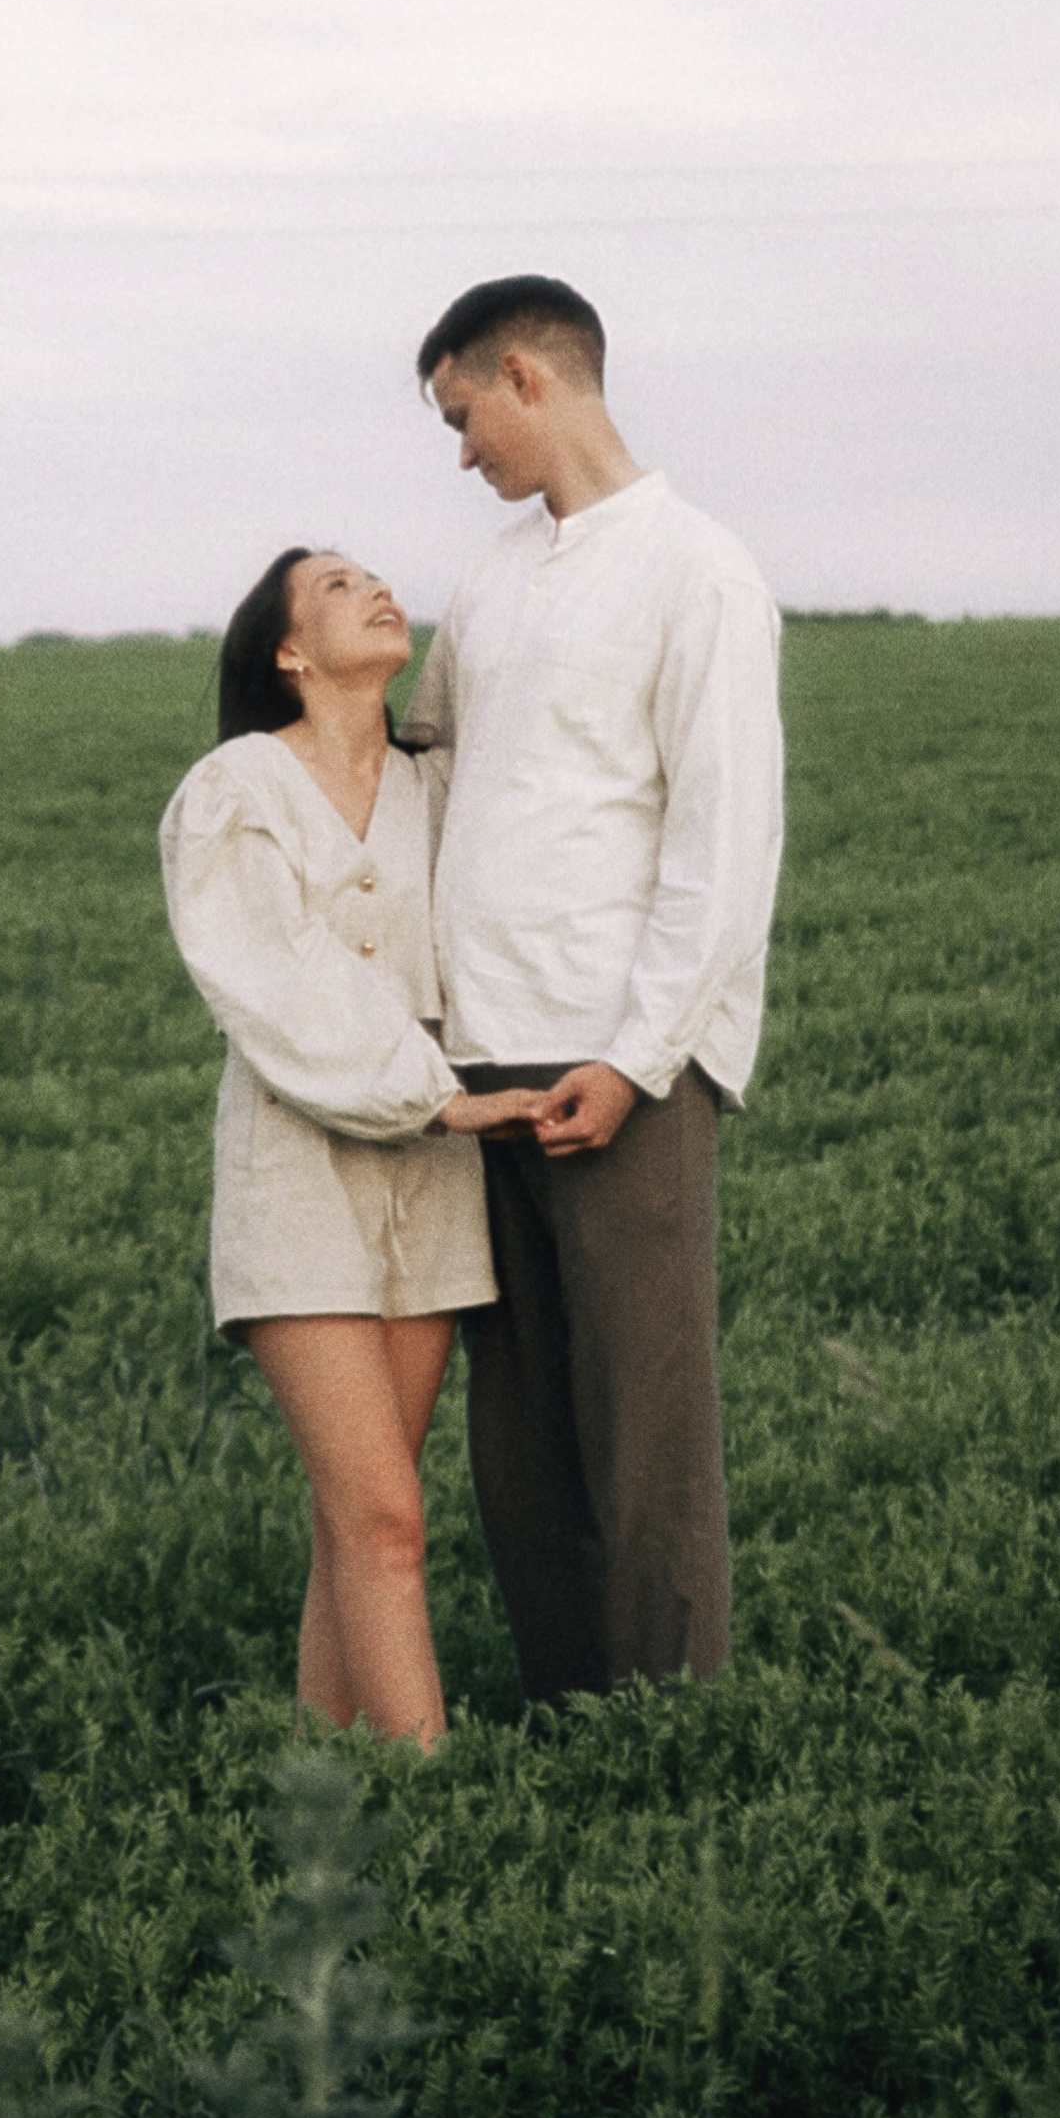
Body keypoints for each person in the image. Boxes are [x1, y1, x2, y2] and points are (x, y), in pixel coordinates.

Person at [400, 275, 784, 1699]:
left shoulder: (699, 570)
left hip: (618, 1061)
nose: (461, 454)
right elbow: (431, 774)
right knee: (523, 1432)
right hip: (478, 1060)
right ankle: (568, 1715)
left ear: (526, 375)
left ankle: (673, 1729)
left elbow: (723, 840)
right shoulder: (492, 578)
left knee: (646, 1425)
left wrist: (638, 1059)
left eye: (462, 417)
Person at [159, 545, 540, 1748]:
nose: (376, 588)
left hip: (433, 1178)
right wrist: (438, 1100)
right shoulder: (236, 789)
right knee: (387, 1519)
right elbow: (273, 981)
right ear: (286, 649)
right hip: (301, 1166)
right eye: (333, 584)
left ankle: (318, 1778)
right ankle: (439, 1804)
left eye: (376, 576)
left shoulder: (442, 787)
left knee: (355, 1521)